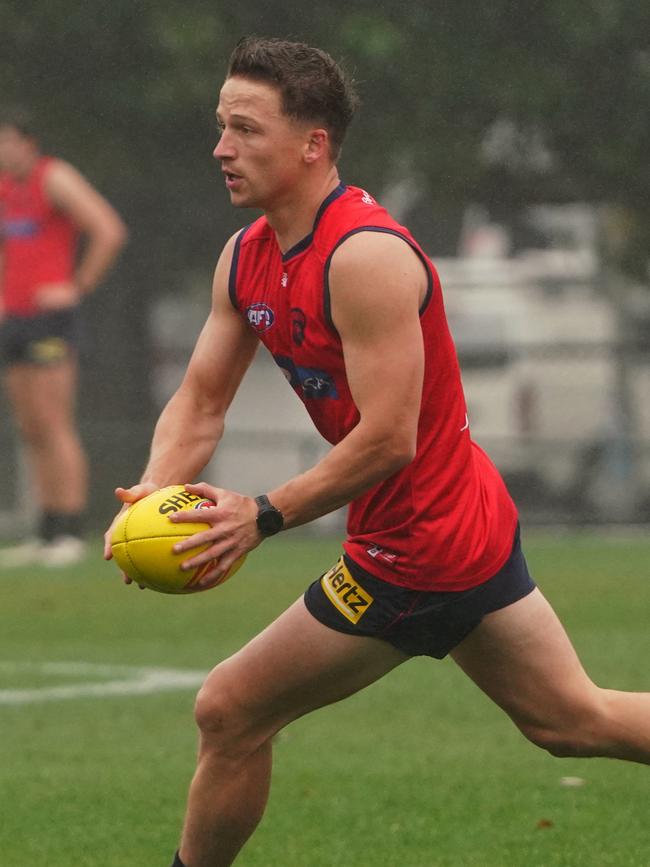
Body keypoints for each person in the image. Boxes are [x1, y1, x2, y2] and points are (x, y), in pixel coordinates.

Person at [104, 37, 650, 867]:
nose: (221, 147)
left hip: (421, 546)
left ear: (312, 143)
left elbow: (390, 439)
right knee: (571, 720)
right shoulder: (246, 256)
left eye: (246, 129)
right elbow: (202, 400)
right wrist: (152, 488)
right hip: (458, 517)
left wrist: (262, 514)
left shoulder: (364, 257)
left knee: (229, 709)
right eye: (221, 126)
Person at [0, 106, 127, 567]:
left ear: (27, 143)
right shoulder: (6, 190)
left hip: (52, 322)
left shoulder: (53, 177)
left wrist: (76, 287)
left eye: (6, 140)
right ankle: (47, 531)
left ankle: (71, 532)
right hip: (16, 320)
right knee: (29, 428)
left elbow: (108, 229)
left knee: (55, 424)